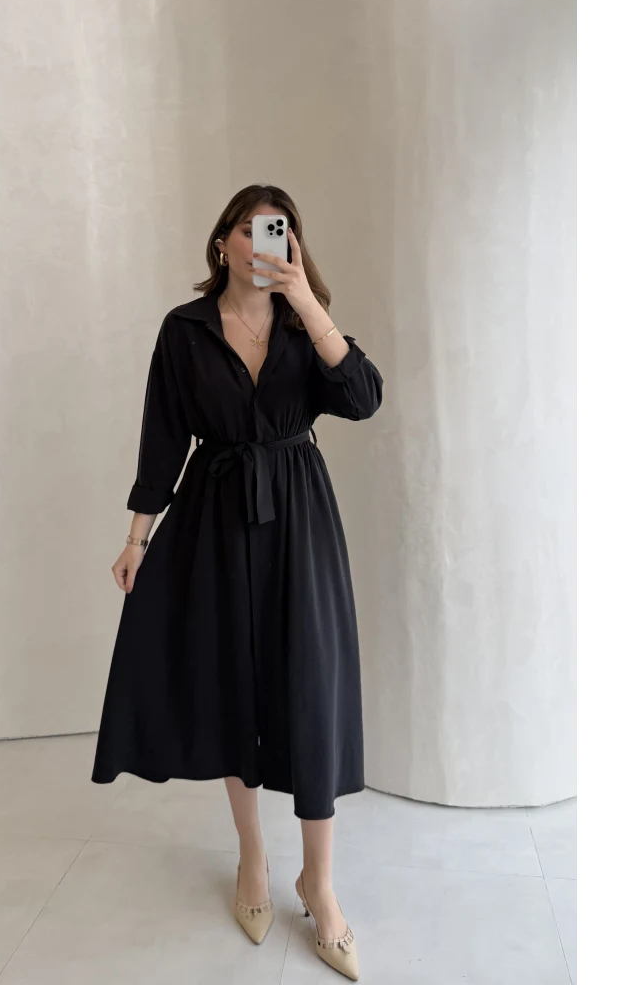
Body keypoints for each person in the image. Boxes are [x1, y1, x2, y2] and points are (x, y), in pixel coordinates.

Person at [91, 183, 383, 980]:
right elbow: (162, 442)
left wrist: (307, 302)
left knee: (309, 688)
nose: (262, 243)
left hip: (300, 521)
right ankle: (253, 856)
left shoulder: (304, 325)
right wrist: (136, 538)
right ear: (222, 242)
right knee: (233, 684)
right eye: (249, 231)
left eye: (278, 232)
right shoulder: (183, 331)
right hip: (215, 520)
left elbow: (363, 397)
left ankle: (319, 883)